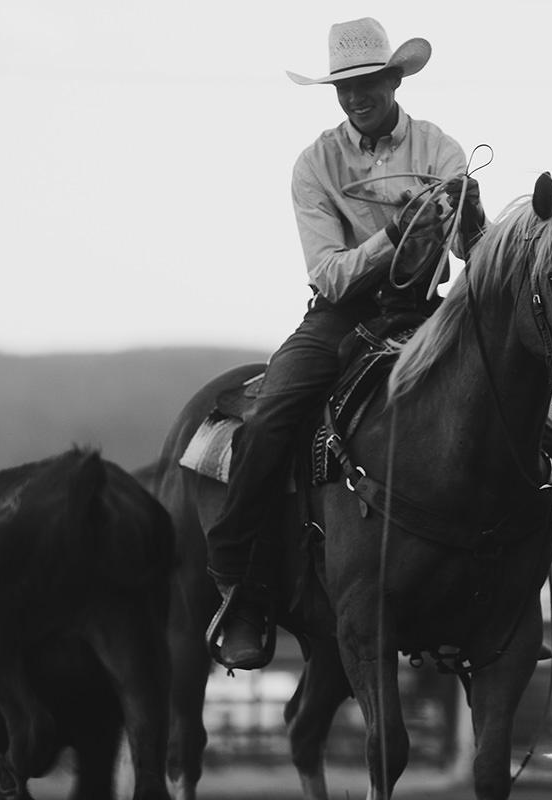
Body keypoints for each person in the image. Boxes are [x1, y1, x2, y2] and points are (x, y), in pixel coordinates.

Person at [205, 18, 486, 671]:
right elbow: (328, 272)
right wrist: (395, 237)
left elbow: (473, 247)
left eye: (368, 83)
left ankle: (495, 587)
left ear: (393, 80)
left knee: (496, 393)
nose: (357, 96)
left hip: (422, 307)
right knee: (275, 415)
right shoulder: (316, 164)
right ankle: (240, 583)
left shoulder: (442, 149)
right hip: (340, 313)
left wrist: (464, 219)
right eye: (346, 87)